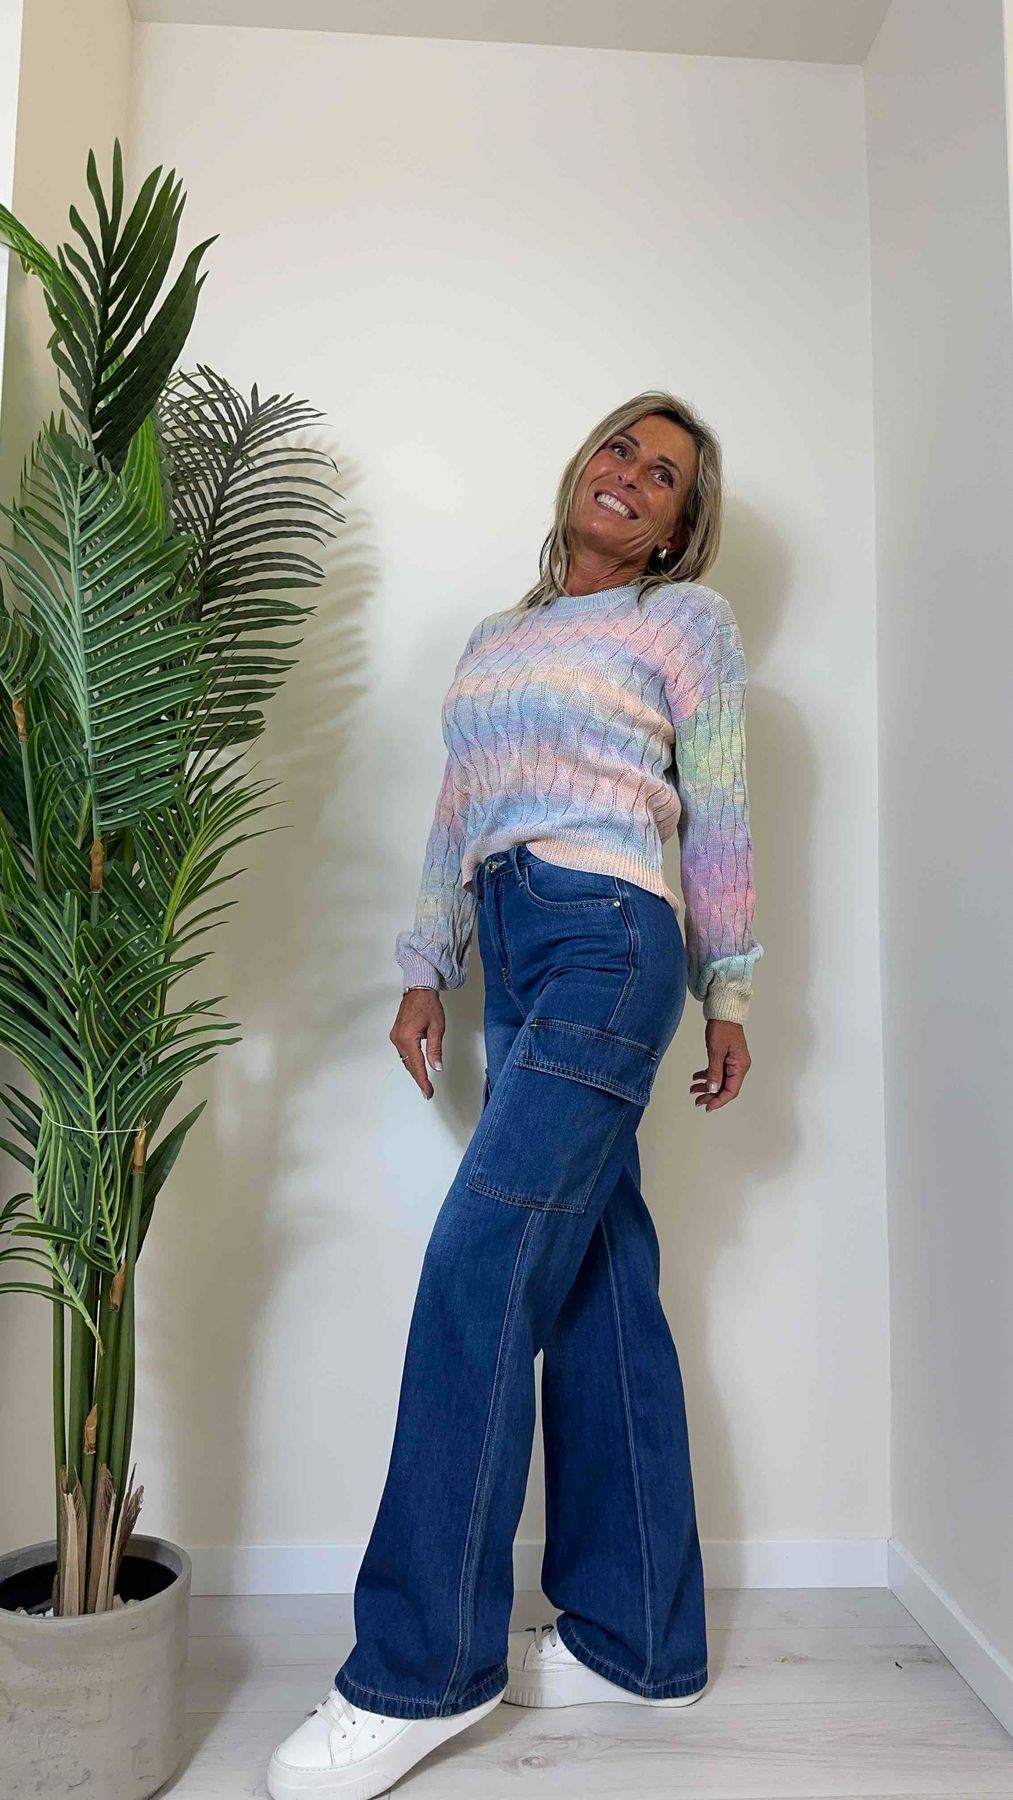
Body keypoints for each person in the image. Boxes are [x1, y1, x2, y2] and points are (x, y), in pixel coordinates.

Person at [267, 391, 763, 1800]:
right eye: (621, 450)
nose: (632, 477)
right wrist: (427, 962)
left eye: (664, 477)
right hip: (516, 954)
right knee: (600, 1283)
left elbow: (718, 807)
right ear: (581, 468)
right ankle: (639, 1640)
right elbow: (457, 811)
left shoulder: (686, 624)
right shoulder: (497, 637)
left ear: (676, 529)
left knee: (477, 1268)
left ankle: (419, 1670)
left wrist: (728, 988)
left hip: (611, 941)